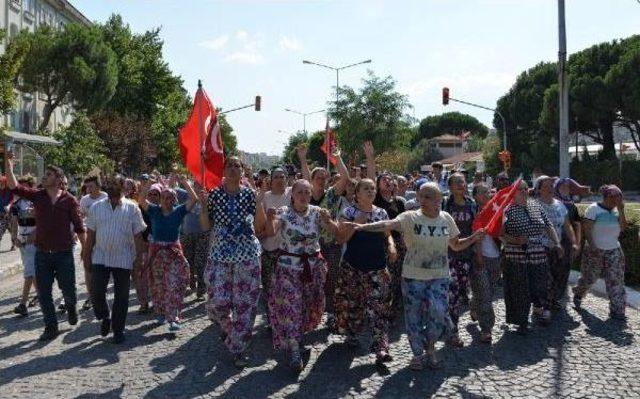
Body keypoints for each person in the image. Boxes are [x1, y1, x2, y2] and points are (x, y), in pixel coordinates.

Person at [351, 182, 484, 370]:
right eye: (425, 196)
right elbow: (386, 224)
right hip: (413, 276)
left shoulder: (446, 218)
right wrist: (361, 227)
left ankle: (430, 346)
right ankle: (417, 354)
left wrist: (473, 238)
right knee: (413, 317)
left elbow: (455, 245)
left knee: (438, 313)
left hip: (439, 276)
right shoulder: (410, 218)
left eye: (433, 197)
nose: (428, 201)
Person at [5, 153, 86, 341]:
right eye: (45, 174)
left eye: (49, 174)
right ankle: (51, 326)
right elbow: (14, 186)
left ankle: (71, 307)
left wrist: (86, 250)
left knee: (68, 290)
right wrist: (8, 166)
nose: (44, 176)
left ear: (58, 179)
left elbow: (80, 227)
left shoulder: (69, 200)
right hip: (42, 253)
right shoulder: (38, 196)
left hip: (64, 253)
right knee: (44, 293)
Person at [200, 156, 267, 368]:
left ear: (242, 171)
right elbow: (205, 226)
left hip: (247, 254)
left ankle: (238, 348)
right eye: (230, 165)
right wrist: (203, 206)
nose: (233, 168)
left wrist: (258, 204)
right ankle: (232, 330)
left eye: (237, 165)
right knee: (218, 302)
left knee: (245, 303)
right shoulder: (214, 195)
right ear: (224, 169)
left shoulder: (249, 194)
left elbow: (260, 226)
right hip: (220, 254)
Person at [264, 179, 339, 371]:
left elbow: (335, 232)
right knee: (292, 307)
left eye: (307, 192)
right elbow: (270, 232)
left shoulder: (317, 212)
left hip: (313, 269)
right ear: (292, 194)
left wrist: (329, 220)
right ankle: (295, 351)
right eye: (300, 192)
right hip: (288, 270)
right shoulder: (283, 212)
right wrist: (270, 218)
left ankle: (298, 337)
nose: (304, 196)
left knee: (309, 306)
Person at [335, 178, 396, 365]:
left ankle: (381, 348)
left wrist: (392, 246)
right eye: (366, 188)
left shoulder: (381, 212)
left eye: (372, 188)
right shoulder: (348, 212)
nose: (370, 191)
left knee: (380, 308)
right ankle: (352, 334)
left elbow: (387, 234)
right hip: (353, 268)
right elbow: (340, 238)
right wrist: (356, 224)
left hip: (377, 268)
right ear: (357, 193)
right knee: (354, 305)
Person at [84, 175, 146, 343]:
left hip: (123, 258)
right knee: (96, 293)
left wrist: (139, 261)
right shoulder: (96, 208)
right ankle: (105, 317)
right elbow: (90, 236)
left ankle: (118, 330)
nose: (111, 187)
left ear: (122, 187)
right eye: (109, 184)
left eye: (115, 184)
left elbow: (138, 237)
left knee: (122, 296)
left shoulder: (132, 209)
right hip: (100, 256)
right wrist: (86, 257)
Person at [297, 144, 350, 329]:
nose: (320, 180)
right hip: (308, 246)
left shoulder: (333, 195)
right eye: (317, 177)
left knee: (332, 279)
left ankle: (332, 314)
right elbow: (304, 175)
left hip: (330, 244)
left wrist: (337, 158)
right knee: (309, 281)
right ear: (311, 180)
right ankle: (310, 314)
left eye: (323, 178)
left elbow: (345, 178)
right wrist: (303, 159)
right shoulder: (306, 195)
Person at [500, 180, 561, 333]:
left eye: (526, 188)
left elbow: (548, 225)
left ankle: (540, 307)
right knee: (519, 289)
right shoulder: (506, 209)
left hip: (538, 253)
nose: (524, 191)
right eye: (520, 189)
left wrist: (557, 243)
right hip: (516, 256)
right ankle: (521, 321)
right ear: (513, 191)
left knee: (540, 284)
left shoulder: (536, 205)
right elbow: (499, 234)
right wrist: (515, 240)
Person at [139, 175, 198, 332]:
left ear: (175, 199)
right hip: (157, 253)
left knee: (175, 284)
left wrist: (184, 182)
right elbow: (141, 200)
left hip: (174, 253)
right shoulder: (154, 211)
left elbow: (194, 199)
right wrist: (150, 184)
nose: (167, 200)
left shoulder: (179, 212)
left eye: (171, 197)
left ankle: (173, 317)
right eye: (164, 197)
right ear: (160, 199)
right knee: (159, 286)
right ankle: (160, 312)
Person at [572, 185, 627, 320]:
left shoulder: (616, 210)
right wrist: (593, 246)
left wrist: (621, 211)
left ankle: (617, 310)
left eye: (620, 198)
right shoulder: (593, 209)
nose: (618, 201)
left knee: (616, 280)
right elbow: (587, 230)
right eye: (616, 197)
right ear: (608, 197)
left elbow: (623, 228)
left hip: (613, 249)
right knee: (589, 278)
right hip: (595, 249)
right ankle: (579, 292)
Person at [442, 172, 477, 346]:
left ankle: (473, 305)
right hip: (449, 256)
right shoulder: (445, 205)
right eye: (456, 182)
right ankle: (452, 332)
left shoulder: (472, 205)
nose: (461, 185)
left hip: (468, 255)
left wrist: (477, 252)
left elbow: (476, 228)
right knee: (452, 295)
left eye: (462, 182)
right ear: (449, 187)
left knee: (466, 291)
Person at [534, 176, 578, 312]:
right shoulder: (534, 206)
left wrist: (574, 242)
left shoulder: (560, 205)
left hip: (557, 248)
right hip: (540, 248)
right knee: (545, 278)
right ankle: (545, 308)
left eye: (551, 186)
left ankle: (551, 300)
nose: (550, 189)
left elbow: (567, 225)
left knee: (558, 276)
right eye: (545, 186)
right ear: (539, 189)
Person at [469, 183, 501, 343]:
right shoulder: (472, 211)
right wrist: (479, 255)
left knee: (488, 292)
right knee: (486, 295)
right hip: (479, 258)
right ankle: (486, 328)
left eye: (488, 191)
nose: (487, 194)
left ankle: (474, 305)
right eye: (482, 192)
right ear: (475, 196)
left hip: (496, 258)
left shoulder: (496, 211)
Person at [259, 167, 291, 321]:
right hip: (269, 248)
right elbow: (259, 223)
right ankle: (271, 319)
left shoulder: (292, 193)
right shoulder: (264, 197)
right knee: (269, 287)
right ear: (271, 180)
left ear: (287, 179)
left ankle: (285, 317)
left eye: (282, 176)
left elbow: (308, 183)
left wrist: (303, 160)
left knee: (287, 288)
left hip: (289, 250)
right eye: (276, 177)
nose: (279, 179)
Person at [78, 175, 108, 311]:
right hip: (90, 238)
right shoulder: (84, 200)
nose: (88, 189)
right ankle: (91, 297)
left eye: (91, 186)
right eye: (87, 187)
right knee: (88, 267)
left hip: (105, 239)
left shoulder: (106, 198)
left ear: (98, 185)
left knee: (103, 269)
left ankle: (101, 294)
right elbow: (80, 219)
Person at [10, 175, 38, 317]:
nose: (21, 189)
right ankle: (41, 296)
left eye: (24, 186)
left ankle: (23, 304)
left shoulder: (37, 202)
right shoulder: (17, 204)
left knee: (29, 270)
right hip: (22, 239)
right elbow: (14, 222)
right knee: (30, 269)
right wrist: (14, 237)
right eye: (19, 187)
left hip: (35, 240)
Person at [180, 181, 210, 300]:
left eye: (201, 185)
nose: (199, 187)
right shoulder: (185, 195)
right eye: (196, 184)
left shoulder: (208, 198)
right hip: (187, 234)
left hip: (202, 235)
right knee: (188, 261)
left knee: (200, 262)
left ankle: (201, 290)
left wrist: (205, 202)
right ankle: (190, 281)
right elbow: (169, 187)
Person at [0, 175, 15, 251]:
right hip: (1, 215)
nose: (0, 185)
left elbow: (12, 199)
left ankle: (13, 244)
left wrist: (9, 206)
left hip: (10, 214)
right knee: (0, 229)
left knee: (12, 230)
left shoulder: (9, 190)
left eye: (2, 183)